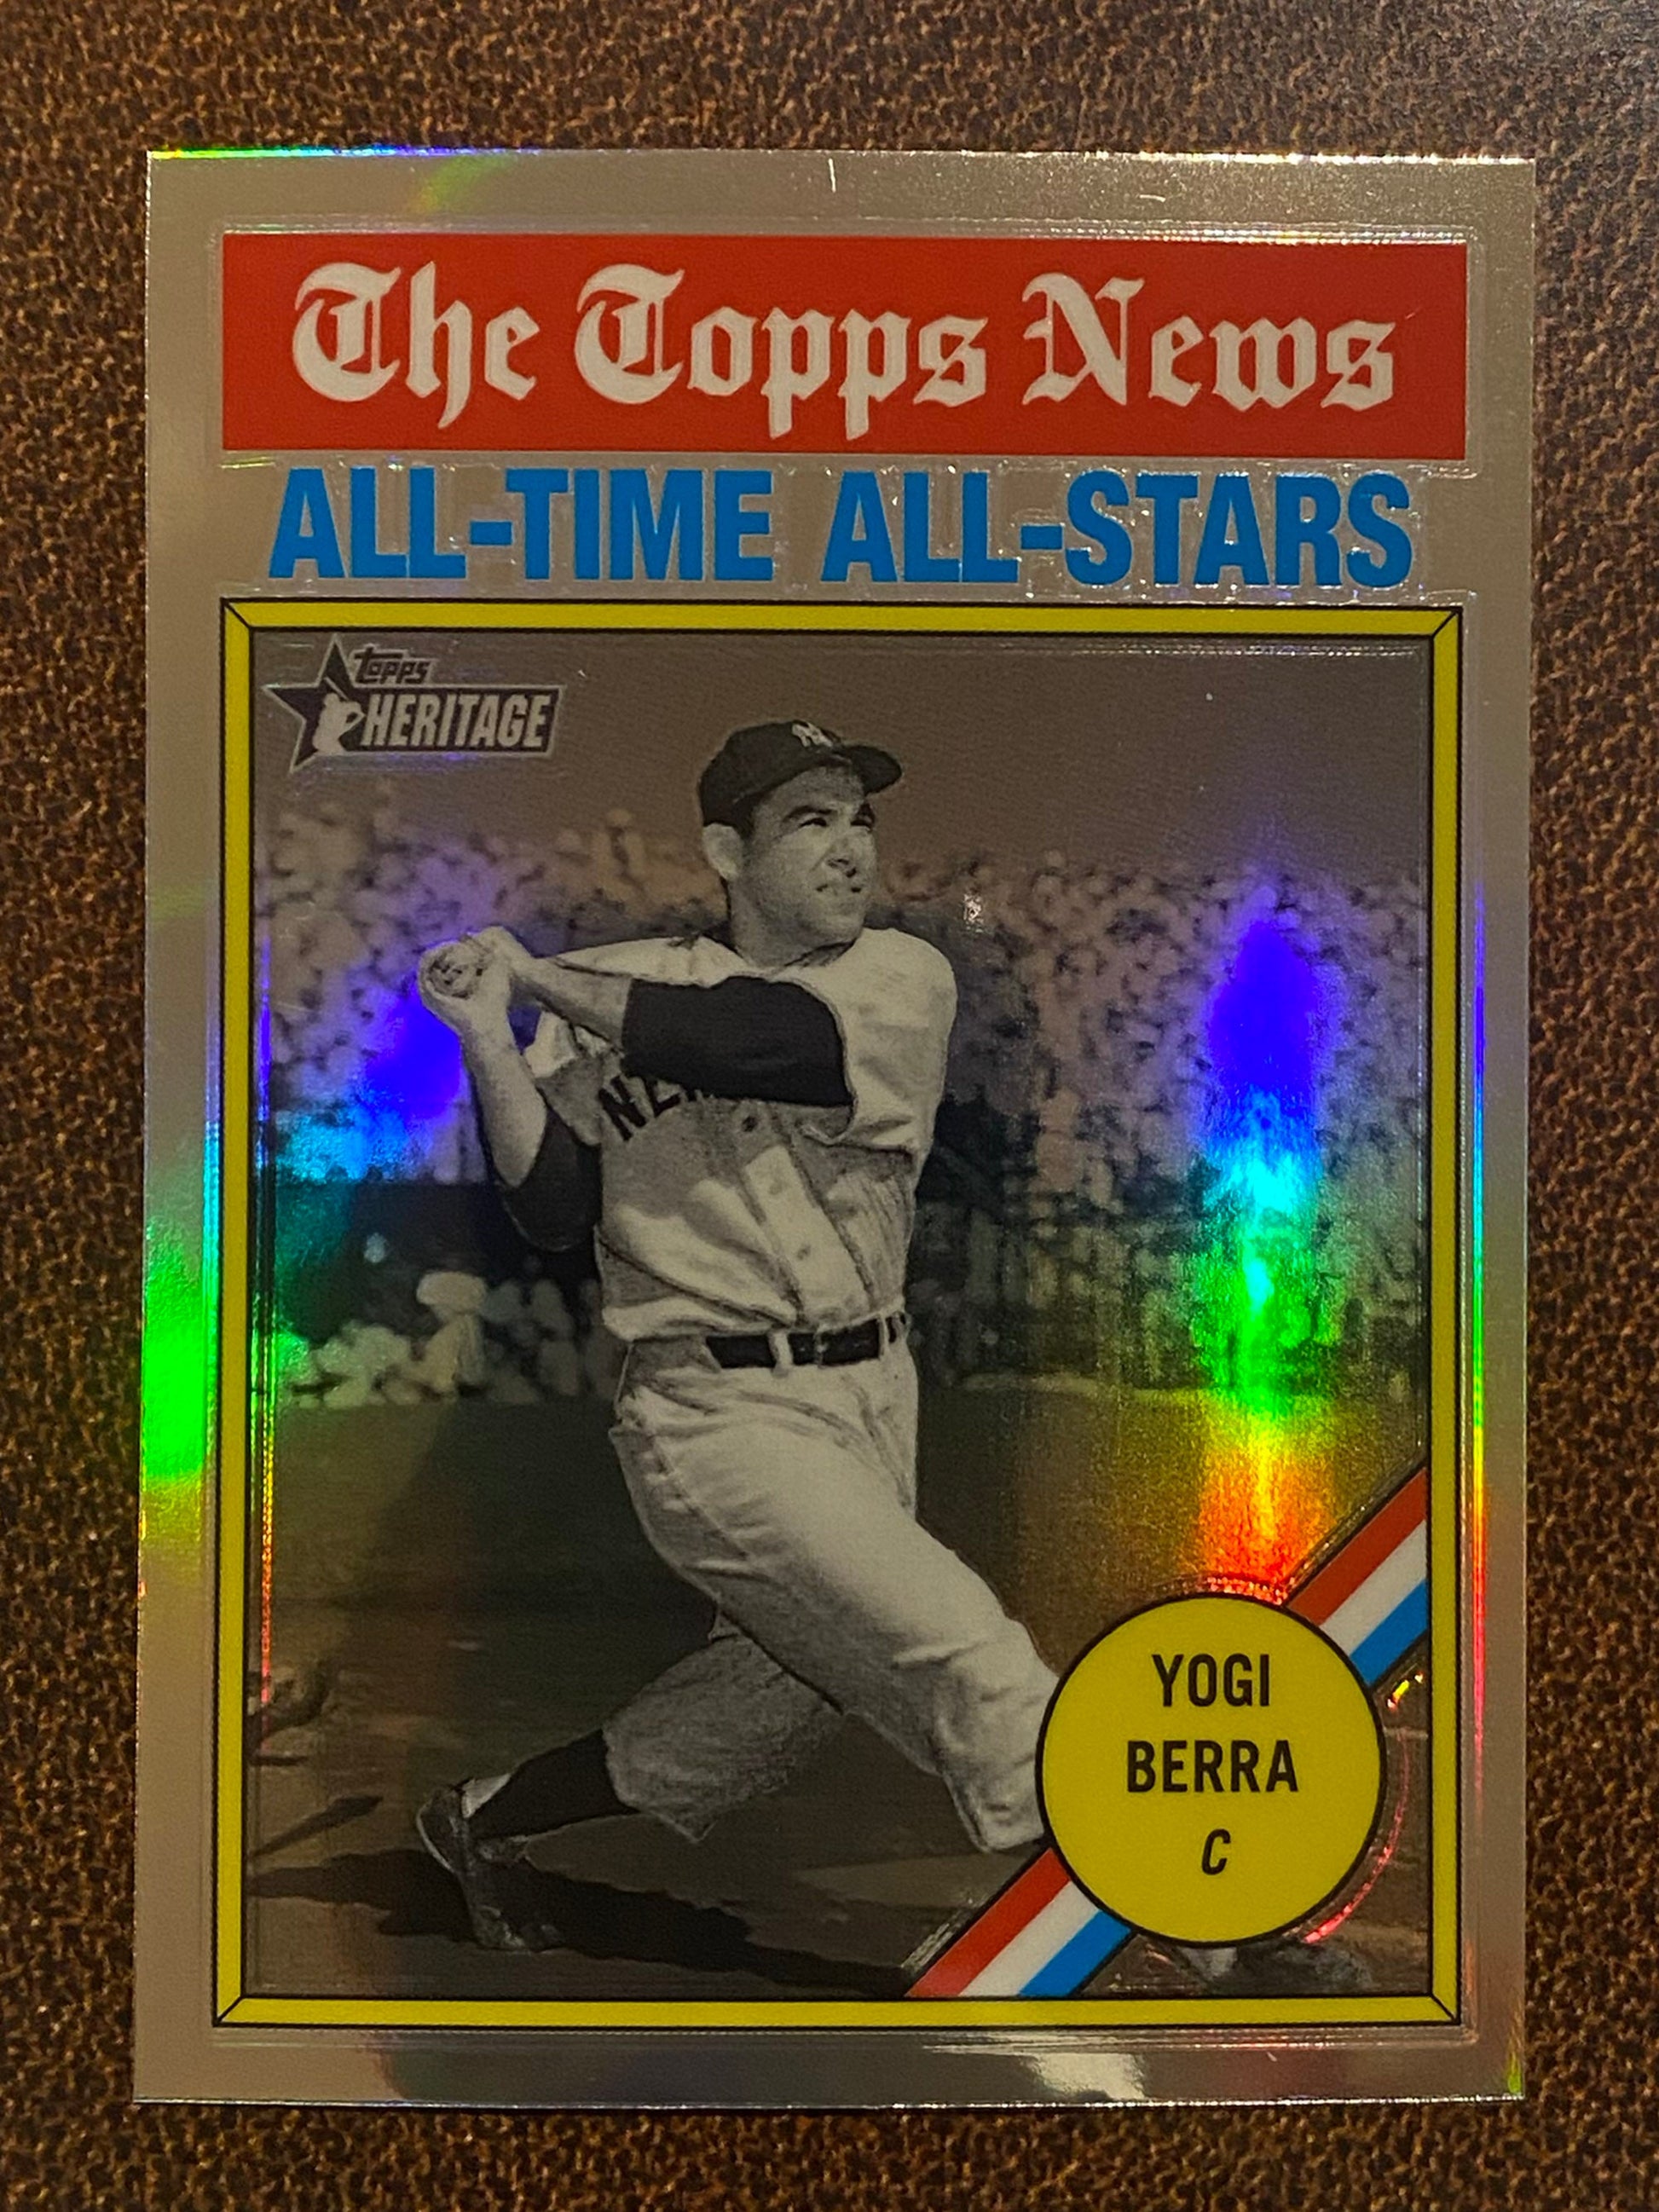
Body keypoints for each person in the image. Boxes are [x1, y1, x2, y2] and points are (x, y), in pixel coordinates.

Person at [413, 718, 1057, 1952]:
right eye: (809, 822)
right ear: (727, 852)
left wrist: (535, 981)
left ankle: (484, 1819)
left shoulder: (899, 974)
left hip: (874, 1389)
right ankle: (1192, 1932)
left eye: (859, 819)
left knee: (773, 1701)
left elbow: (765, 1042)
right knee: (966, 1655)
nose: (850, 848)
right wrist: (489, 1035)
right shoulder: (619, 985)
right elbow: (551, 1206)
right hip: (714, 1412)